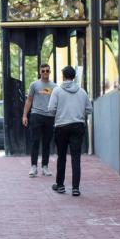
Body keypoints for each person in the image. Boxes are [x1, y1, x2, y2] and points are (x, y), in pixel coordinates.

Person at [47, 66, 92, 197]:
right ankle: (75, 188)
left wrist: (60, 113)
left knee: (62, 156)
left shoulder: (57, 91)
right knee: (76, 157)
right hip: (78, 126)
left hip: (61, 126)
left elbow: (51, 109)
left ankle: (60, 185)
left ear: (63, 76)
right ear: (73, 77)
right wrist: (79, 113)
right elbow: (89, 109)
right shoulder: (82, 92)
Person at [22, 64, 57, 177]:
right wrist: (24, 116)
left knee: (46, 142)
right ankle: (33, 166)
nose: (45, 73)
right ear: (40, 72)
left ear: (50, 71)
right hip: (36, 115)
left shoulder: (55, 86)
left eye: (47, 71)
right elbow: (29, 101)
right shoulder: (34, 85)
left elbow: (57, 103)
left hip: (49, 116)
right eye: (43, 71)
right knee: (35, 141)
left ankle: (45, 167)